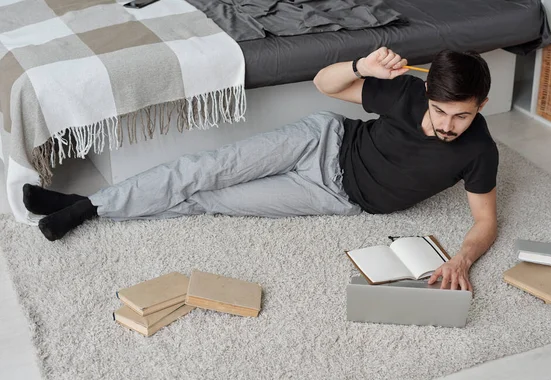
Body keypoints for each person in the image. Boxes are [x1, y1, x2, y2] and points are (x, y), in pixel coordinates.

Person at [23, 47, 498, 291]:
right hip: (323, 140)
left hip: (337, 198)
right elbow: (324, 85)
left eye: (462, 115)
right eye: (441, 112)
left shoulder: (478, 151)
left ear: (482, 107)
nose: (447, 126)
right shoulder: (406, 93)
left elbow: (485, 221)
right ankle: (84, 209)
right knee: (208, 168)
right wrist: (361, 65)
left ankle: (86, 205)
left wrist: (462, 259)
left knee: (211, 201)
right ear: (429, 95)